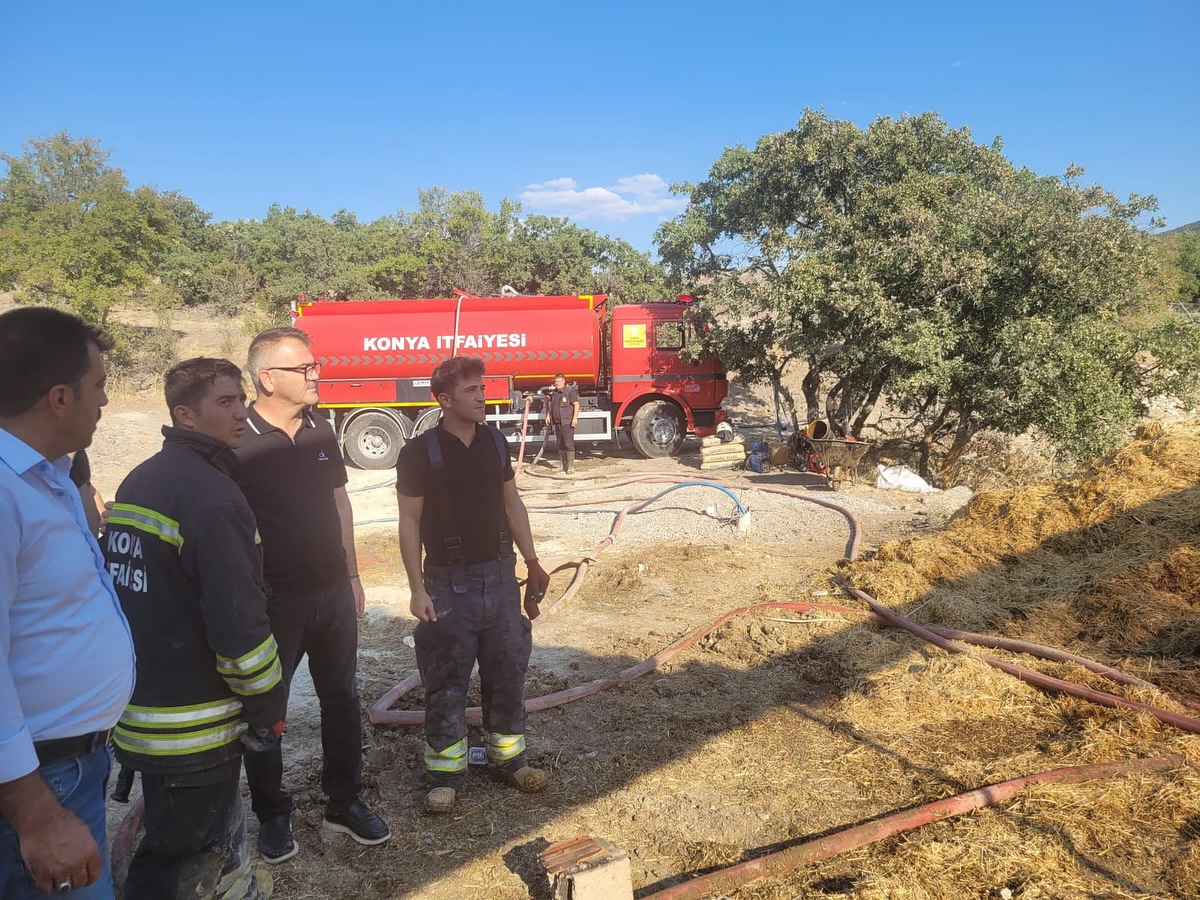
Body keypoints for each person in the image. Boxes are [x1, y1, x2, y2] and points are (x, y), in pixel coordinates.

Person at [106, 358, 286, 899]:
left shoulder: (143, 478)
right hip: (194, 728)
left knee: (179, 844)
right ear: (185, 415)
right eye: (226, 402)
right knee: (181, 866)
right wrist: (267, 702)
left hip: (146, 711)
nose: (241, 412)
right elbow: (239, 625)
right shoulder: (212, 497)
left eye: (241, 398)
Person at [233, 328, 389, 862]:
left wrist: (351, 575)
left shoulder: (321, 429)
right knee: (266, 712)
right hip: (275, 600)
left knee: (342, 700)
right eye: (305, 368)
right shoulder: (237, 440)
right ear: (267, 378)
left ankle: (343, 803)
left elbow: (340, 505)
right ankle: (272, 815)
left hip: (331, 592)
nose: (316, 374)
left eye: (315, 365)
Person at [0, 307, 135, 898]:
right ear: (60, 398)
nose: (104, 402)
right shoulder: (5, 493)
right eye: (98, 386)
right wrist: (34, 812)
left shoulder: (47, 476)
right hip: (38, 783)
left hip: (67, 769)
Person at [397, 356, 552, 814]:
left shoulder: (496, 443)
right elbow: (409, 521)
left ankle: (510, 761)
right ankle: (446, 774)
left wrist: (533, 560)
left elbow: (512, 504)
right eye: (471, 390)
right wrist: (415, 588)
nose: (482, 395)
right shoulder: (419, 453)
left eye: (482, 388)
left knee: (508, 673)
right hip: (447, 583)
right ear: (444, 400)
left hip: (500, 579)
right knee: (445, 680)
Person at [544, 373, 580, 474]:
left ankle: (570, 467)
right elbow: (551, 406)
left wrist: (575, 418)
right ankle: (562, 465)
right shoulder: (554, 393)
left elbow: (576, 405)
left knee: (568, 444)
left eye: (559, 381)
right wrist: (548, 416)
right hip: (557, 422)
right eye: (556, 382)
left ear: (564, 381)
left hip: (567, 422)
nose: (557, 383)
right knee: (560, 444)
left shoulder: (570, 392)